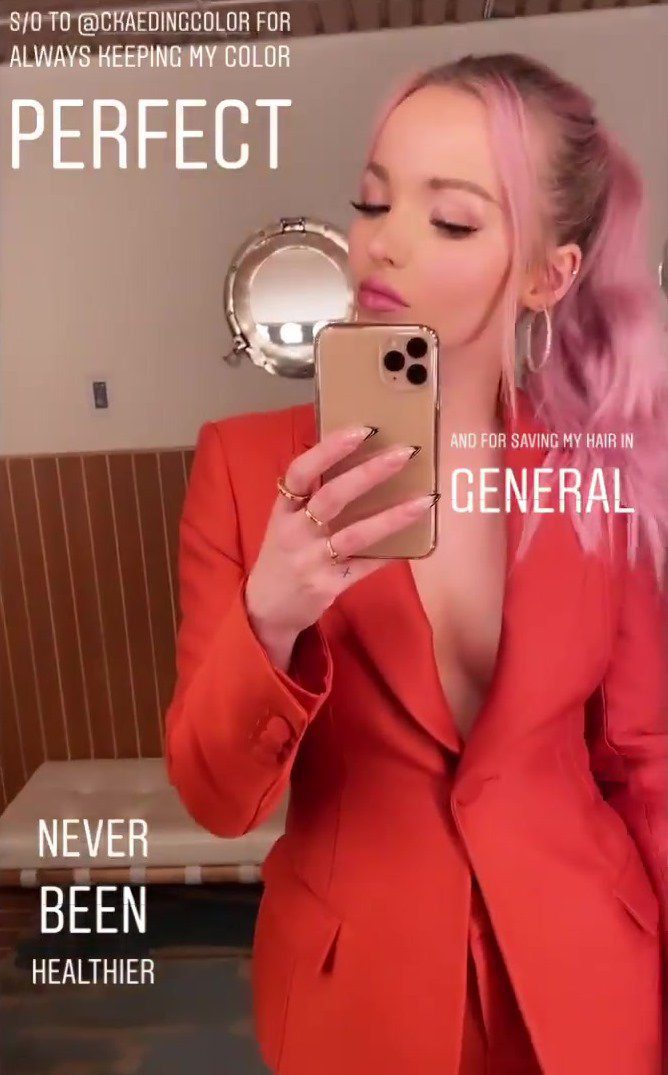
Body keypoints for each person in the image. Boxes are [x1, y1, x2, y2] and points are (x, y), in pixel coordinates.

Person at [164, 52, 668, 1074]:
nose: (383, 243)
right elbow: (216, 800)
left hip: (588, 986)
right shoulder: (245, 468)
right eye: (372, 201)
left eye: (450, 219)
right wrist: (269, 619)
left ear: (547, 275)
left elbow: (647, 760)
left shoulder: (595, 478)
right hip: (359, 1000)